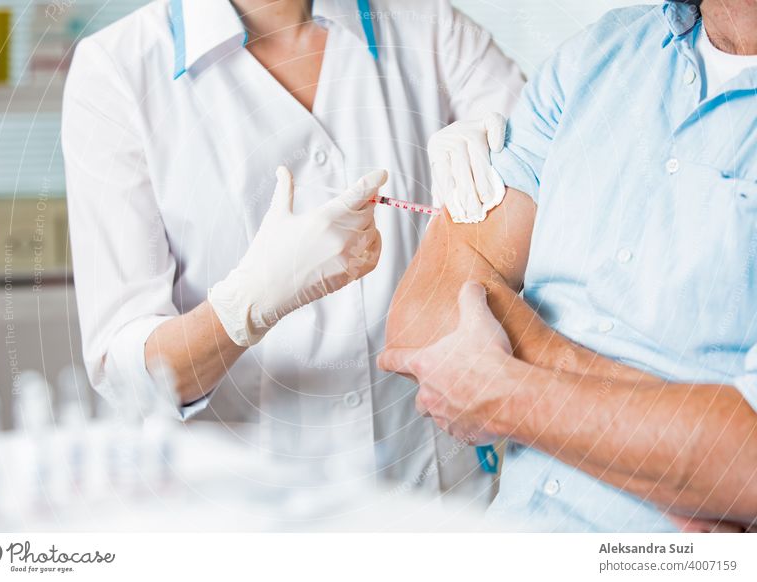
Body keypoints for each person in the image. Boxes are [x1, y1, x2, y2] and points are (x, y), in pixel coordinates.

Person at [62, 0, 524, 501]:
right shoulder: (119, 69)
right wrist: (241, 308)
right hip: (245, 512)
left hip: (436, 499)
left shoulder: (429, 28)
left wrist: (506, 149)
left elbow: (550, 190)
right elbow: (129, 374)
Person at [380, 0, 757, 531]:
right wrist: (676, 434)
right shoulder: (603, 53)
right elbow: (425, 316)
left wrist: (504, 390)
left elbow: (746, 463)